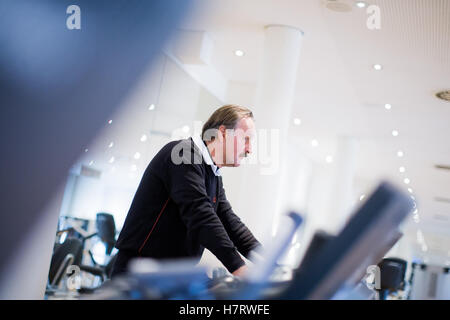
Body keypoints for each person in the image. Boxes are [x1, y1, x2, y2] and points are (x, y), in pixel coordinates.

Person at [111, 105, 261, 278]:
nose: (249, 149)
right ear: (223, 133)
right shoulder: (183, 155)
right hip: (138, 273)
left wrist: (268, 263)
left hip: (169, 276)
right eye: (246, 139)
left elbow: (231, 223)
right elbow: (201, 215)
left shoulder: (212, 174)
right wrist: (239, 267)